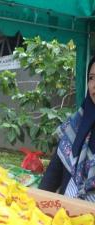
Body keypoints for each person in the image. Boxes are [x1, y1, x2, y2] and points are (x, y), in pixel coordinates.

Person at [39, 57, 95, 202]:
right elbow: (54, 172)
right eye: (91, 78)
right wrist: (37, 203)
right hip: (66, 214)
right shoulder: (77, 124)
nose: (94, 84)